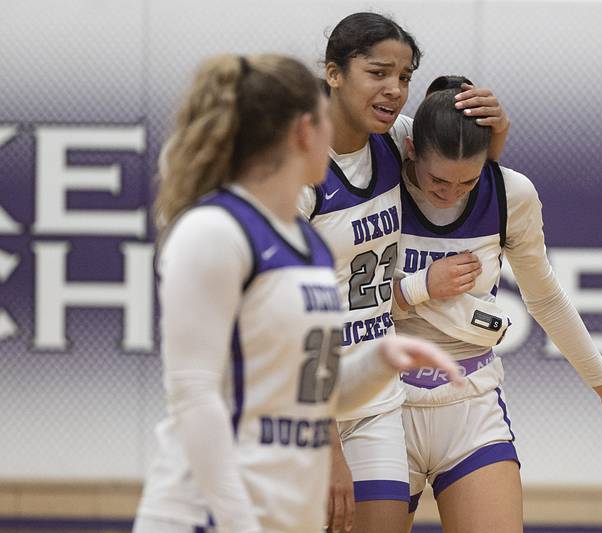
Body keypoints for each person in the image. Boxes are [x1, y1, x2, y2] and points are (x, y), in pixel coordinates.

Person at [132, 53, 463, 533]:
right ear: (306, 131)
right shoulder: (213, 230)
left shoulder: (307, 244)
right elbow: (193, 397)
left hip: (285, 512)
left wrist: (383, 358)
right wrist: (238, 521)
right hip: (207, 516)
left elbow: (311, 397)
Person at [392, 76, 602, 533]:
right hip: (380, 401)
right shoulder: (375, 182)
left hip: (469, 404)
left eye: (466, 180)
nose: (449, 193)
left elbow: (546, 299)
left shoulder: (511, 194)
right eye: (437, 179)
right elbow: (339, 303)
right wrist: (419, 287)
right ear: (410, 148)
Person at [297, 12, 511, 533]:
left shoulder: (396, 140)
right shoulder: (297, 172)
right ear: (333, 73)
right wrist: (326, 447)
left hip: (375, 394)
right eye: (378, 73)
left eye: (405, 76)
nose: (395, 89)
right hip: (306, 398)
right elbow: (289, 321)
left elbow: (461, 164)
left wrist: (498, 128)